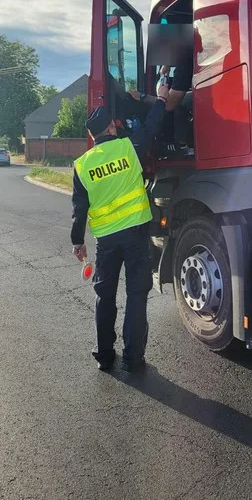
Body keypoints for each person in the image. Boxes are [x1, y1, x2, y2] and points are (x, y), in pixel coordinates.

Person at [71, 81, 172, 371]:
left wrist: (77, 242)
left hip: (107, 242)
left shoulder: (83, 165)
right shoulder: (129, 147)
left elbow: (79, 208)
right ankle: (133, 357)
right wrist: (161, 100)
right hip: (136, 236)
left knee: (105, 297)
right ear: (113, 127)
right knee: (137, 295)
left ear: (92, 135)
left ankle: (104, 356)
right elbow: (151, 127)